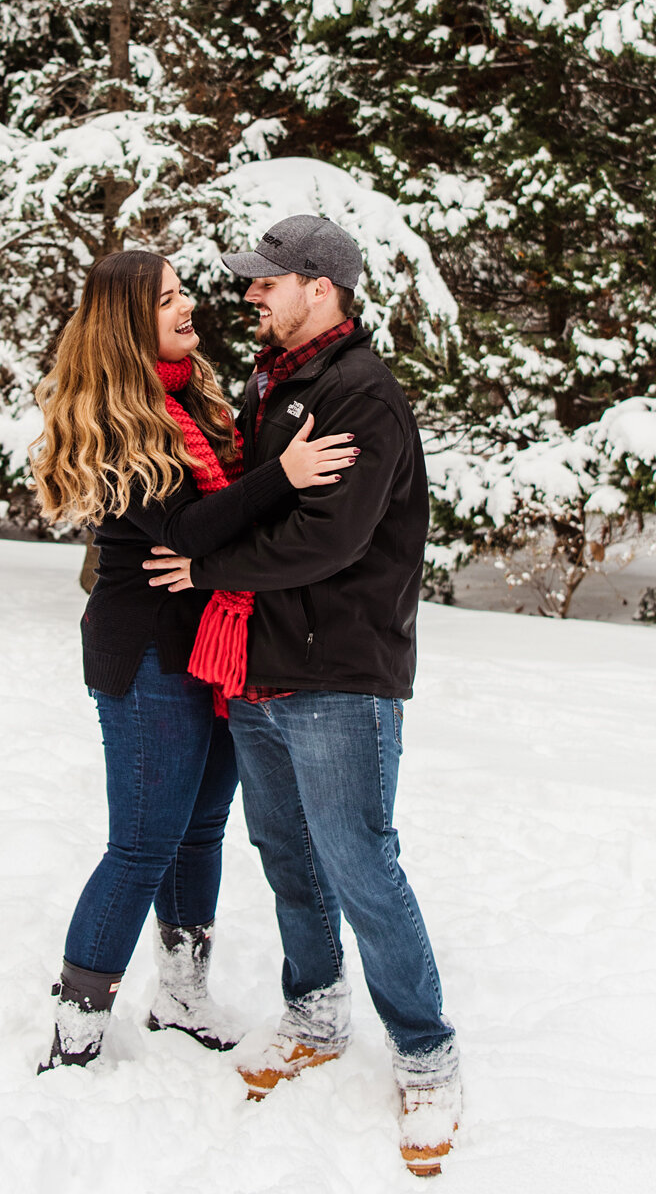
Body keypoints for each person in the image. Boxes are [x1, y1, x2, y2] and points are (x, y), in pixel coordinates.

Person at [147, 214, 461, 1177]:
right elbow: (267, 494)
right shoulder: (274, 379)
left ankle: (424, 1053)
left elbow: (329, 539)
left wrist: (205, 565)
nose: (248, 296)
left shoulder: (362, 396)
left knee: (360, 863)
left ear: (320, 287)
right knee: (286, 854)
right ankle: (315, 1011)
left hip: (339, 674)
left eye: (265, 284)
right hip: (262, 666)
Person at [31, 247, 360, 1072]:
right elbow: (184, 528)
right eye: (168, 300)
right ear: (124, 324)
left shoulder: (196, 398)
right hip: (146, 655)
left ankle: (180, 993)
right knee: (142, 841)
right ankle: (76, 1031)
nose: (189, 310)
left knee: (198, 831)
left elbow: (219, 526)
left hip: (212, 643)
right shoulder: (114, 418)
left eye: (183, 294)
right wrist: (283, 475)